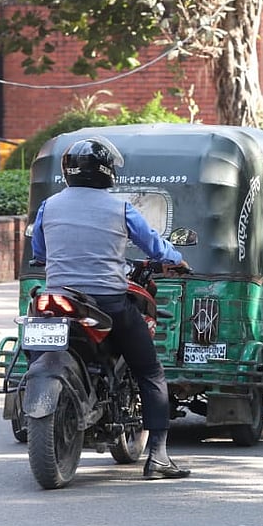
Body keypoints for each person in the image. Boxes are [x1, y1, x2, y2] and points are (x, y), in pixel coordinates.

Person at [31, 137, 192, 480]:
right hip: (108, 301)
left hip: (58, 300)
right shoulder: (120, 208)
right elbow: (155, 246)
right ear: (105, 172)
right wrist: (177, 259)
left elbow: (39, 251)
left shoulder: (50, 206)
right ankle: (159, 458)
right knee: (150, 371)